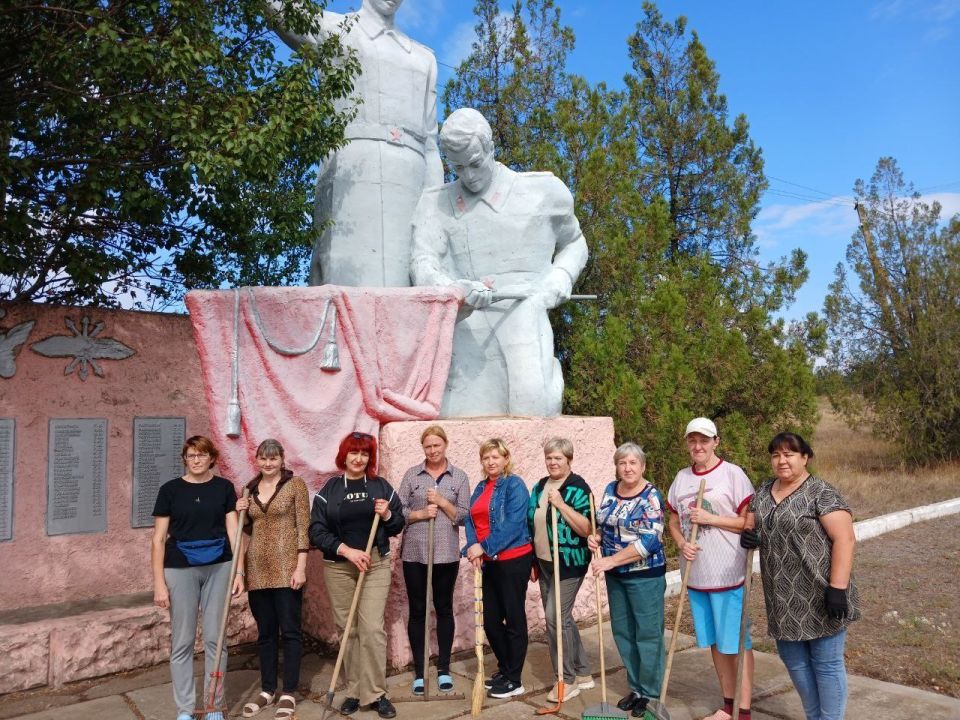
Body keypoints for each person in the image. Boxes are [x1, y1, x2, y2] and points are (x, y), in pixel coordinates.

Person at [410, 108, 588, 417]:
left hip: (524, 316)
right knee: (453, 416)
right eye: (458, 167)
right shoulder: (434, 203)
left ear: (490, 148)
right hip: (464, 325)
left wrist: (561, 275)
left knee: (533, 408)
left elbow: (575, 242)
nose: (468, 176)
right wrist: (453, 289)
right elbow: (422, 263)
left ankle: (548, 379)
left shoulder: (543, 192)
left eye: (475, 163)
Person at [266, 0, 443, 287]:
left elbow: (431, 144)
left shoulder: (423, 58)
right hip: (351, 172)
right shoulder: (335, 30)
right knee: (344, 282)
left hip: (411, 178)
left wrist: (435, 206)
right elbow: (280, 9)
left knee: (407, 284)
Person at [740, 432, 860, 720]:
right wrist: (750, 535)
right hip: (782, 598)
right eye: (776, 455)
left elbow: (845, 539)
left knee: (826, 664)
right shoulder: (764, 490)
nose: (781, 461)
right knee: (794, 661)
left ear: (805, 457)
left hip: (821, 593)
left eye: (789, 454)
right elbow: (754, 523)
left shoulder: (821, 493)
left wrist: (837, 588)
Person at [309, 431, 405, 719]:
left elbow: (398, 524)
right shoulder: (329, 490)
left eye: (364, 453)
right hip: (339, 566)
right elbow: (316, 531)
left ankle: (376, 693)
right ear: (344, 455)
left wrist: (387, 515)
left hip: (374, 564)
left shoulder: (380, 487)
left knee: (372, 629)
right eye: (354, 452)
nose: (359, 458)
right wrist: (347, 551)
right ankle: (354, 690)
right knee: (347, 628)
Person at [666, 418, 756, 720]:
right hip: (696, 577)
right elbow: (674, 522)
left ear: (716, 441)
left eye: (704, 440)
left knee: (737, 644)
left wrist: (710, 519)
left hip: (729, 575)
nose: (698, 446)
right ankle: (728, 705)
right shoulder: (681, 478)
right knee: (716, 643)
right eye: (692, 441)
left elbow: (748, 522)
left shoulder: (733, 474)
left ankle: (744, 711)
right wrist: (681, 543)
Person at [151, 436, 239, 720]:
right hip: (180, 569)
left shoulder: (224, 488)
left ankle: (213, 705)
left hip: (220, 567)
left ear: (211, 458)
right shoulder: (170, 490)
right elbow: (158, 539)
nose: (196, 460)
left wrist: (239, 571)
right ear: (184, 459)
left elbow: (233, 531)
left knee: (216, 640)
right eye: (191, 455)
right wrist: (159, 583)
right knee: (182, 641)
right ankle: (186, 709)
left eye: (201, 455)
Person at [587, 442, 666, 719]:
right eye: (622, 463)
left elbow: (650, 542)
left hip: (645, 575)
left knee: (648, 634)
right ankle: (635, 687)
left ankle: (650, 693)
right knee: (623, 632)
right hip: (616, 577)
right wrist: (596, 536)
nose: (628, 468)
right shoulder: (611, 489)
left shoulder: (651, 496)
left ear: (642, 466)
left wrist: (611, 560)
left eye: (633, 463)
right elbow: (604, 523)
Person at [233, 439, 310, 719]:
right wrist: (240, 510)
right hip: (257, 568)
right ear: (257, 460)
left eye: (273, 458)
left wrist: (301, 567)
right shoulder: (249, 489)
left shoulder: (295, 485)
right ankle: (267, 690)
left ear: (281, 459)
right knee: (265, 633)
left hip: (287, 567)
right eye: (263, 459)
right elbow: (247, 529)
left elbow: (303, 528)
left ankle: (288, 691)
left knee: (290, 631)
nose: (268, 463)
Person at [397, 425, 471, 695]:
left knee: (444, 608)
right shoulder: (412, 475)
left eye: (436, 445)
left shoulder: (459, 477)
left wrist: (440, 501)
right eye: (428, 446)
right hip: (415, 553)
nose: (432, 450)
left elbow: (463, 515)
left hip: (446, 554)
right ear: (423, 448)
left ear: (445, 444)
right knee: (418, 610)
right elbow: (398, 510)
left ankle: (443, 669)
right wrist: (419, 514)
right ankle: (420, 671)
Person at [464, 438, 533, 699]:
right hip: (489, 562)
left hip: (513, 559)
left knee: (514, 618)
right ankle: (505, 669)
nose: (491, 462)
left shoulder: (515, 485)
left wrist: (484, 546)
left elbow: (514, 524)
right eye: (486, 458)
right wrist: (473, 547)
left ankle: (514, 679)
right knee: (491, 620)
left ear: (505, 459)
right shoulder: (481, 486)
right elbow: (470, 519)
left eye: (495, 457)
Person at [527, 437, 594, 703]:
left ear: (569, 459)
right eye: (549, 458)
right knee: (562, 618)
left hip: (569, 562)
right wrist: (532, 560)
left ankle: (566, 680)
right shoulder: (539, 486)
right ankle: (583, 672)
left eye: (558, 458)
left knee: (555, 617)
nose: (553, 462)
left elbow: (587, 528)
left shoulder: (578, 488)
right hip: (544, 562)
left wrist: (561, 504)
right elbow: (532, 523)